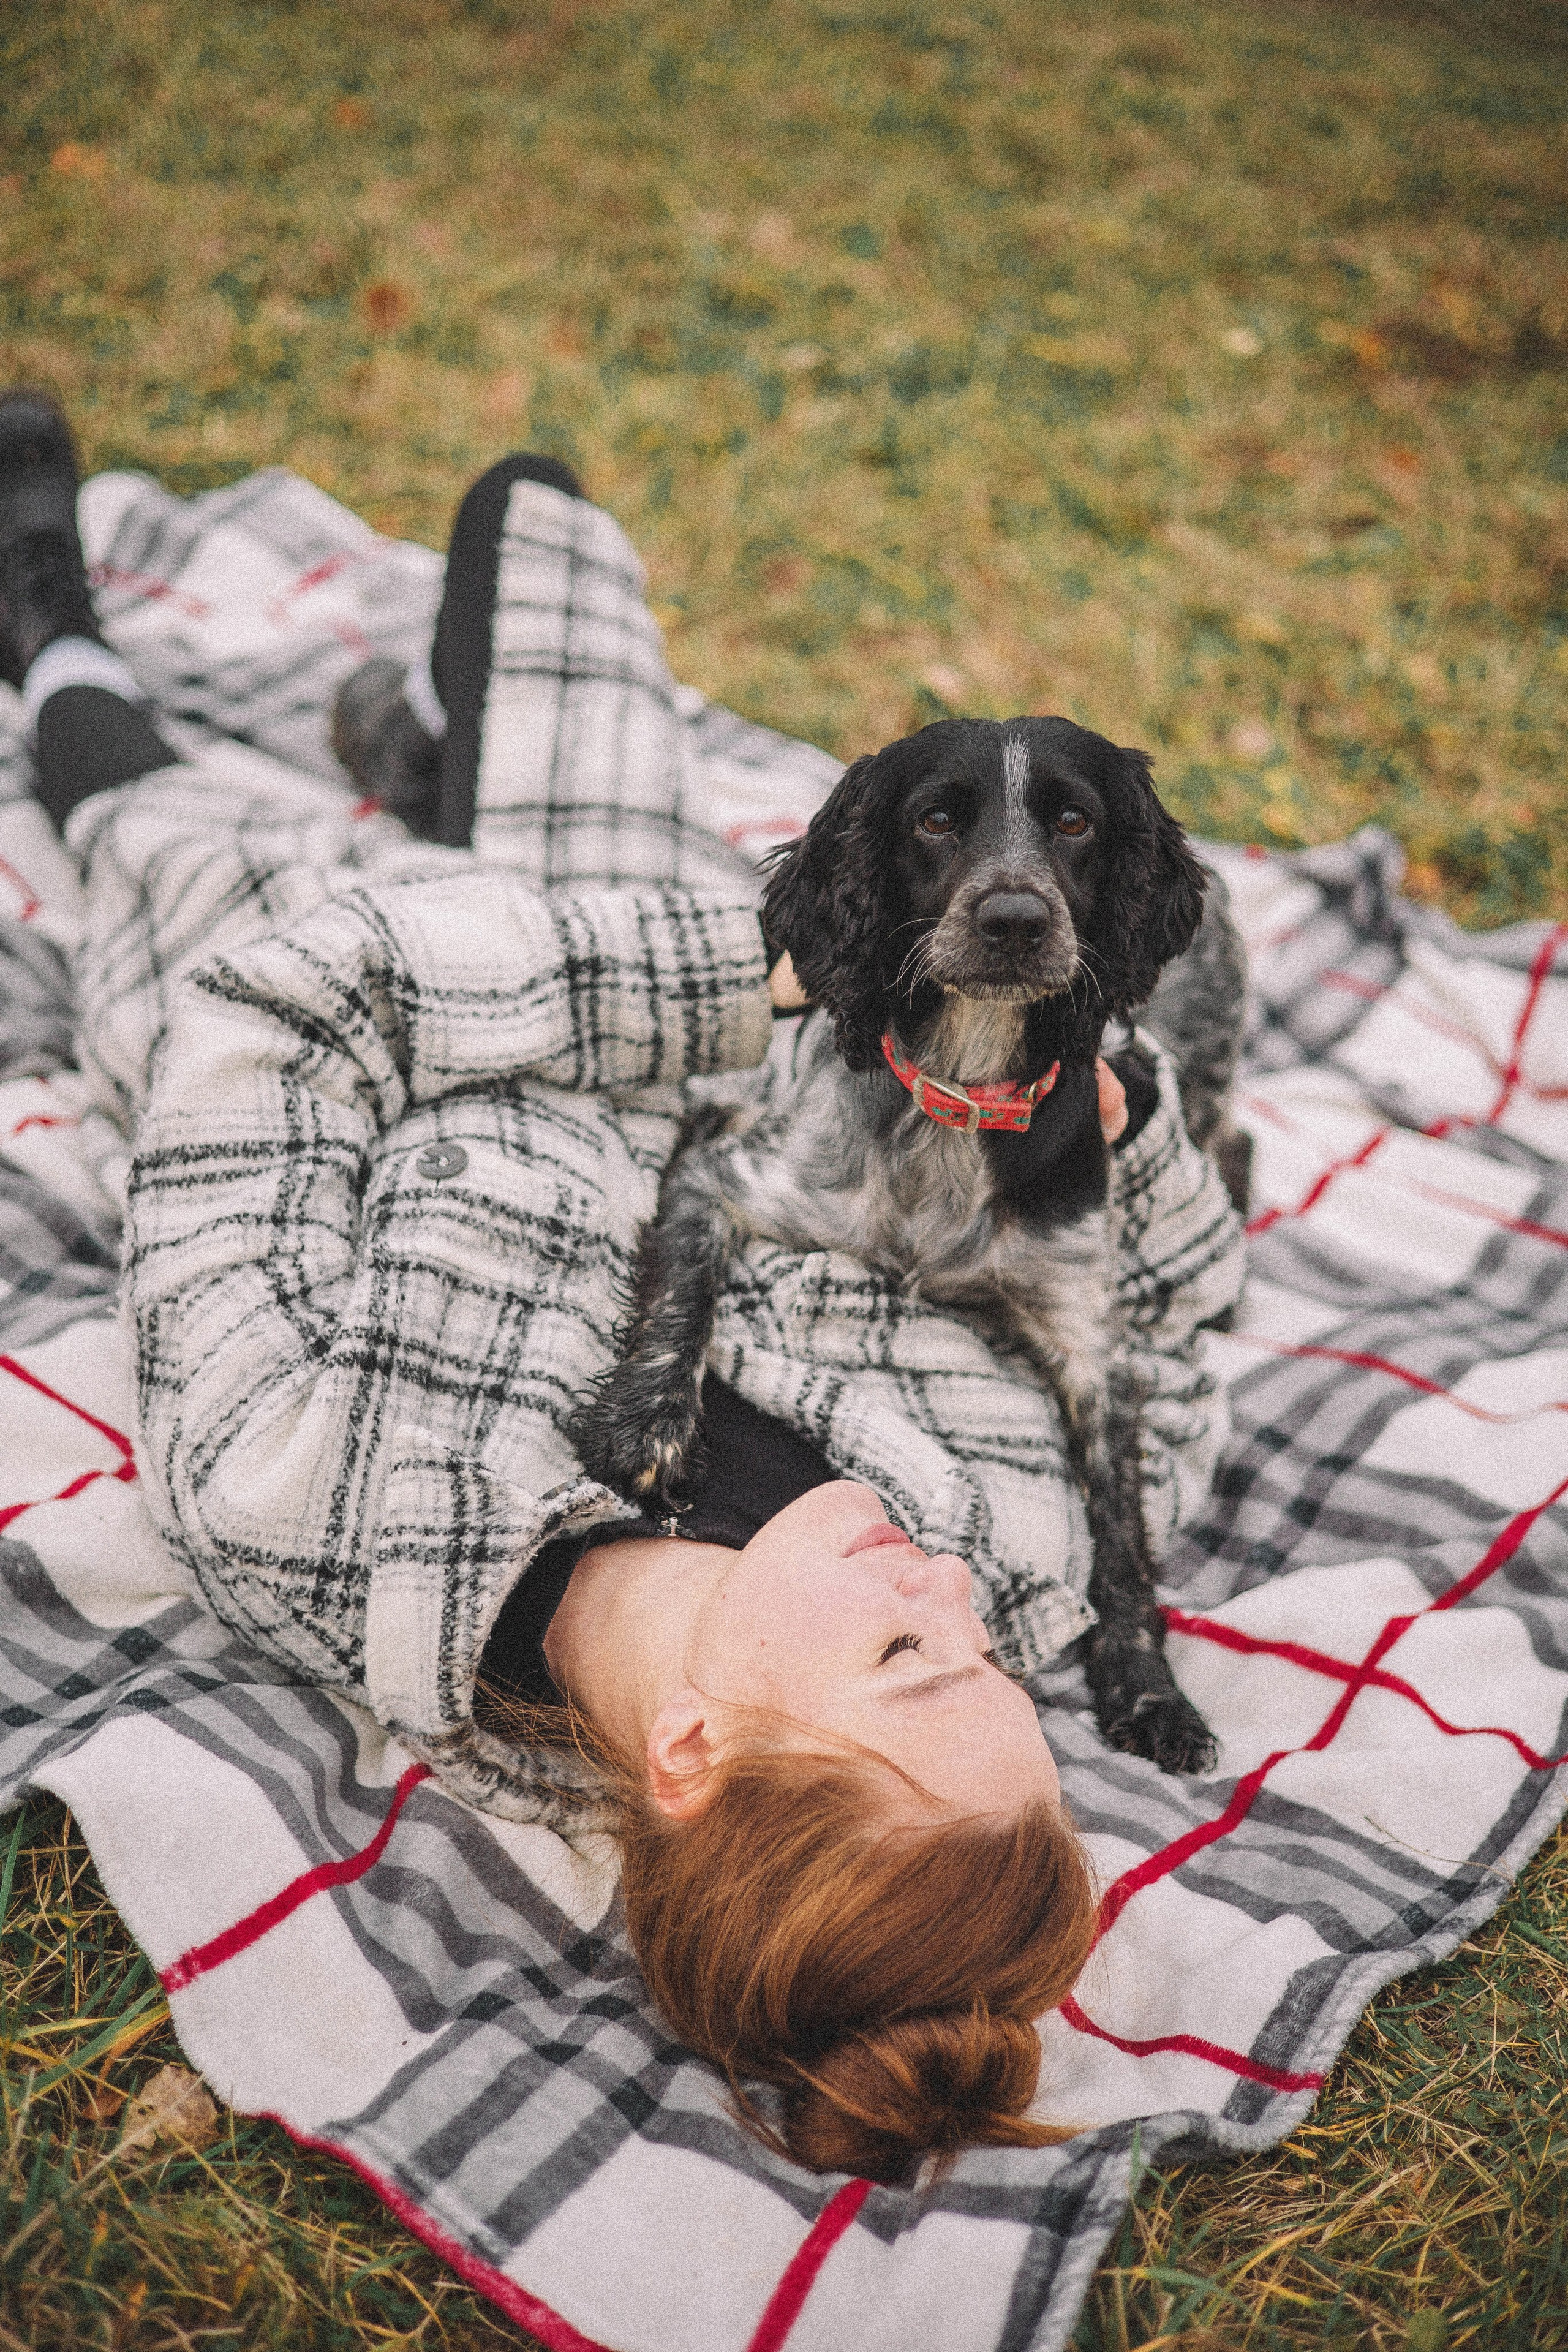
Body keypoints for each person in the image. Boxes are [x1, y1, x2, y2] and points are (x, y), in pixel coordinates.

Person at [0, 388, 1242, 2181]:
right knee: (542, 511)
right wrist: (1115, 1128)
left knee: (167, 838)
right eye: (1001, 1667)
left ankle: (46, 629)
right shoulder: (1015, 1557)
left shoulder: (306, 1496)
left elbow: (271, 1010)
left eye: (911, 1655)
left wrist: (741, 985)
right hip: (634, 921)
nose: (960, 1594)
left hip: (354, 954)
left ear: (687, 1752)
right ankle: (432, 755)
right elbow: (1180, 1343)